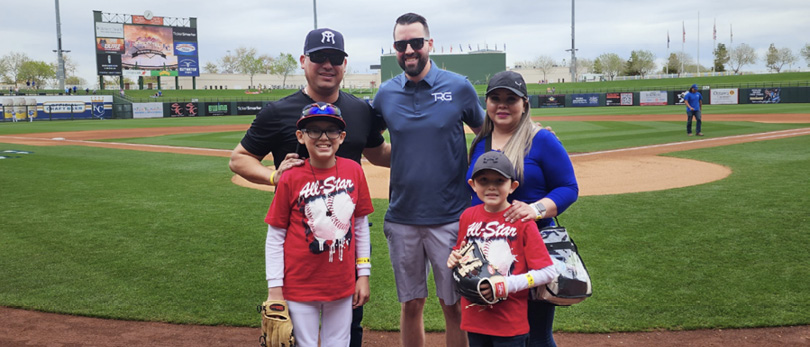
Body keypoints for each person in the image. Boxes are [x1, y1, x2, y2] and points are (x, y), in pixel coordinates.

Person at [229, 27, 390, 347]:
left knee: (350, 326)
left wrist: (426, 153)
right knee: (297, 329)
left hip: (346, 239)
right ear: (304, 61)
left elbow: (378, 154)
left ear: (345, 65)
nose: (328, 64)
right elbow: (239, 159)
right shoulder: (278, 112)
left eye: (335, 58)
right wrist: (274, 177)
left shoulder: (359, 110)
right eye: (319, 57)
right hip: (299, 241)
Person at [371, 12, 485, 347]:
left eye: (416, 42)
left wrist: (534, 135)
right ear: (395, 48)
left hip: (450, 218)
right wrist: (406, 157)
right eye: (401, 44)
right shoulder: (386, 94)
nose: (409, 50)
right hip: (402, 217)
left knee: (453, 305)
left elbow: (487, 134)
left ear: (429, 44)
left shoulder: (459, 87)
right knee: (410, 305)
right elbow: (370, 144)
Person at [466, 71, 578, 347]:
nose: (502, 105)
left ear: (524, 104)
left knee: (536, 334)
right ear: (487, 103)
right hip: (487, 253)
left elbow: (568, 188)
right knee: (490, 331)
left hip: (531, 249)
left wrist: (535, 209)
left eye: (510, 99)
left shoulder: (541, 139)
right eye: (495, 98)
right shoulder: (481, 142)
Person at [264, 102, 373, 346]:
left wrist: (363, 274)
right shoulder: (290, 177)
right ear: (300, 137)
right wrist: (275, 288)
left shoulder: (354, 170)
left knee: (339, 343)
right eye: (313, 130)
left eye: (331, 131)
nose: (323, 137)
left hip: (342, 285)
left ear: (342, 137)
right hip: (298, 285)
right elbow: (275, 236)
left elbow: (360, 227)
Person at [447, 151, 557, 346]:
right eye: (483, 180)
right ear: (472, 185)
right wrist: (454, 259)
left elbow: (547, 272)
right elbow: (461, 253)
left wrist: (505, 285)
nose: (491, 186)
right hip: (474, 319)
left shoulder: (522, 221)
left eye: (499, 180)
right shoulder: (468, 216)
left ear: (512, 186)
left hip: (509, 323)